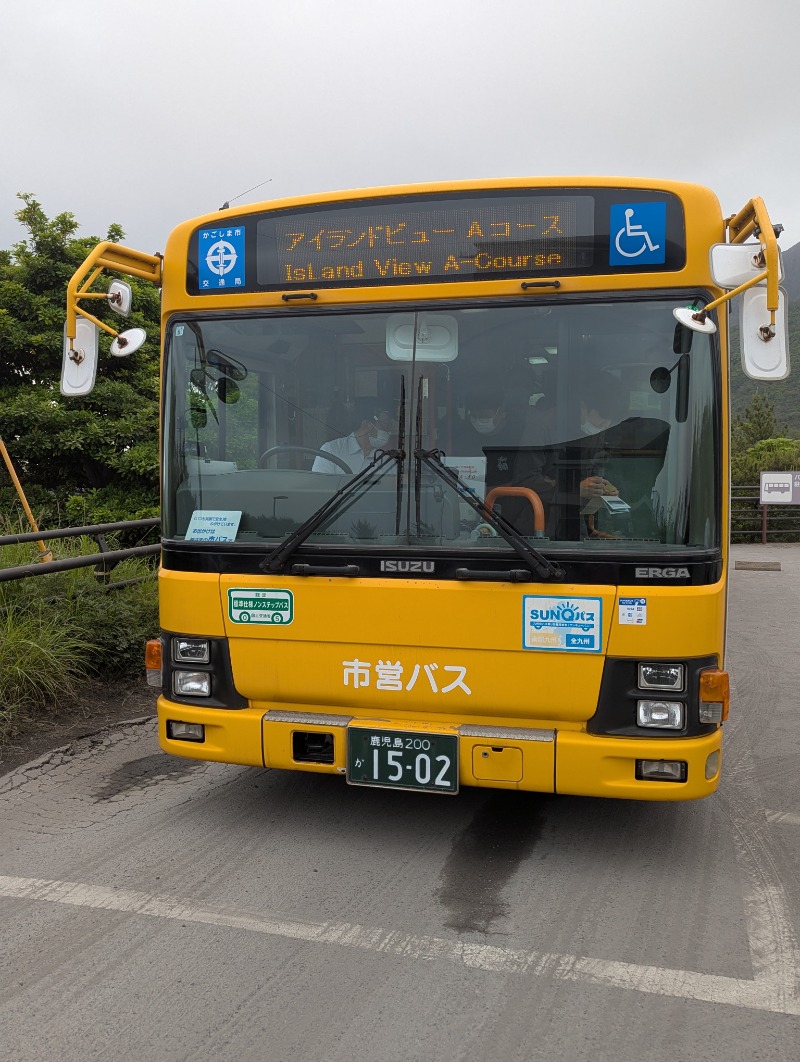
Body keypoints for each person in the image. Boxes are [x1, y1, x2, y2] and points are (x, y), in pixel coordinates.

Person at [311, 400, 394, 474]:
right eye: (385, 425)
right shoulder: (331, 451)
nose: (388, 431)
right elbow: (319, 488)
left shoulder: (386, 461)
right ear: (366, 424)